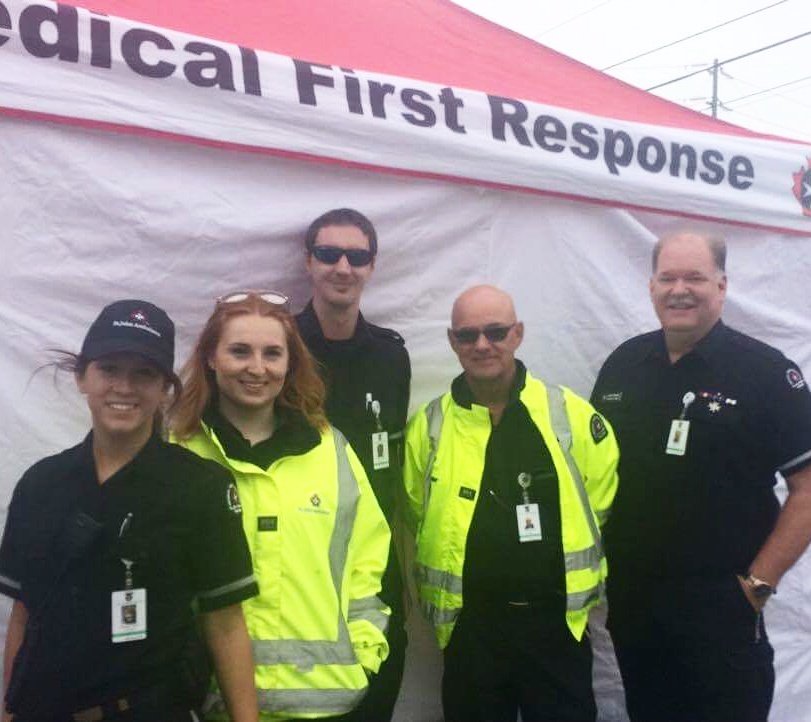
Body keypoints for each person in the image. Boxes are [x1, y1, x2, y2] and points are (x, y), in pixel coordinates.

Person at [0, 299, 259, 722]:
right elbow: (25, 618)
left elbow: (226, 624)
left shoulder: (202, 488)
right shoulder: (40, 485)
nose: (124, 387)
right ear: (83, 377)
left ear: (165, 389)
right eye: (109, 369)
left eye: (144, 373)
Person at [591, 228, 811, 722]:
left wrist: (757, 585)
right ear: (651, 287)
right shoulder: (624, 366)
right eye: (667, 277)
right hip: (636, 608)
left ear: (722, 285)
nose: (679, 289)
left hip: (722, 612)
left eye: (695, 277)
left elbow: (808, 487)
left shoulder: (766, 373)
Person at [171, 291, 391, 720]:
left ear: (290, 364)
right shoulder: (179, 453)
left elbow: (367, 559)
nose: (257, 368)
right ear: (211, 358)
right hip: (213, 704)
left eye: (273, 353)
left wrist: (364, 651)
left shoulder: (330, 450)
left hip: (325, 701)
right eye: (239, 351)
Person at [403, 285, 619, 722]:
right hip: (470, 631)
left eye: (496, 332)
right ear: (452, 341)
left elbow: (600, 502)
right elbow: (416, 510)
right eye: (468, 335)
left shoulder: (569, 415)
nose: (482, 345)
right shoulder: (428, 428)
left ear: (517, 334)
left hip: (556, 628)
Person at [295, 208, 410, 722]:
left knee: (375, 700)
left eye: (356, 256)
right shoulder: (276, 350)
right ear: (308, 262)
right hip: (300, 561)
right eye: (328, 254)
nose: (343, 267)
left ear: (371, 267)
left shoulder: (391, 356)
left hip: (374, 567)